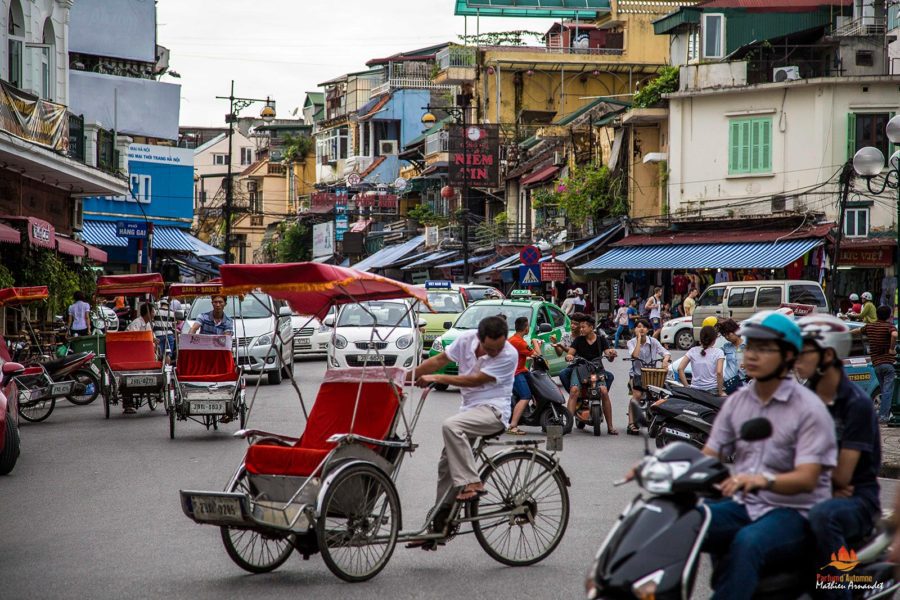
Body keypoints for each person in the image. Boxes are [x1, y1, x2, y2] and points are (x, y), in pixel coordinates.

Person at [700, 311, 838, 600]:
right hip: (746, 505)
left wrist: (761, 480)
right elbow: (710, 454)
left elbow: (808, 478)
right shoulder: (738, 401)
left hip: (794, 512)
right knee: (690, 521)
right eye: (750, 347)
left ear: (788, 356)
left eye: (764, 349)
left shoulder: (809, 409)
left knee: (747, 543)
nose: (751, 355)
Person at [408, 316, 517, 549]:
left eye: (497, 348)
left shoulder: (509, 354)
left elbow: (475, 381)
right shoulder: (466, 340)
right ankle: (439, 527)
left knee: (451, 426)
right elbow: (438, 360)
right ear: (479, 338)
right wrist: (408, 376)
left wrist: (437, 378)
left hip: (494, 411)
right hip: (469, 411)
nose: (494, 352)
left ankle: (472, 482)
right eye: (489, 348)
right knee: (445, 467)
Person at [794, 314, 881, 599]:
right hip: (811, 490)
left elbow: (843, 477)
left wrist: (808, 471)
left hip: (857, 499)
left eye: (804, 352)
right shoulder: (802, 398)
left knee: (822, 517)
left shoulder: (856, 404)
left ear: (828, 354)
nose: (796, 358)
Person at [560, 313, 618, 434]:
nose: (580, 329)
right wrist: (570, 357)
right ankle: (569, 424)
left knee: (604, 391)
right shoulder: (578, 340)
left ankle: (610, 427)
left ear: (591, 327)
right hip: (580, 368)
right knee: (574, 391)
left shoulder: (601, 340)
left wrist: (611, 354)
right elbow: (570, 353)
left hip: (597, 369)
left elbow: (608, 355)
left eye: (583, 327)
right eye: (580, 327)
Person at [853, 305, 898, 424]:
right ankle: (884, 416)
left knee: (884, 389)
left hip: (876, 364)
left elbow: (858, 331)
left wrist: (845, 333)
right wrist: (892, 349)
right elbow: (894, 335)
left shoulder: (870, 326)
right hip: (888, 363)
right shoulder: (889, 326)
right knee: (888, 390)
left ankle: (888, 413)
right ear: (889, 316)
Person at [627, 318, 670, 435]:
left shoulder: (654, 342)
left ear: (648, 329)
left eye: (644, 327)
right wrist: (639, 340)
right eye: (638, 326)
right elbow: (635, 355)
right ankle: (631, 423)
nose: (641, 329)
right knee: (636, 396)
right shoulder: (631, 342)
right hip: (636, 374)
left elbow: (665, 352)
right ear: (634, 329)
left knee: (659, 396)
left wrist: (665, 360)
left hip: (652, 374)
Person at [506, 316, 543, 435]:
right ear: (526, 328)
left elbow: (524, 355)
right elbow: (538, 354)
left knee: (534, 387)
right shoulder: (519, 342)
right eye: (528, 326)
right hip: (516, 373)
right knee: (525, 396)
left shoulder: (513, 339)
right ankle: (513, 426)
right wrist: (535, 342)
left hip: (521, 370)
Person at [679, 325, 725, 395]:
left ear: (700, 338)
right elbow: (719, 372)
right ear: (714, 339)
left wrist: (687, 387)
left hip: (695, 391)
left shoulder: (692, 351)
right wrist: (721, 392)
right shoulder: (718, 352)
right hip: (712, 390)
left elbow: (680, 368)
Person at [716, 318, 745, 393]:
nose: (727, 337)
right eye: (724, 335)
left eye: (728, 334)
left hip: (744, 385)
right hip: (729, 385)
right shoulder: (726, 347)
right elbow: (713, 354)